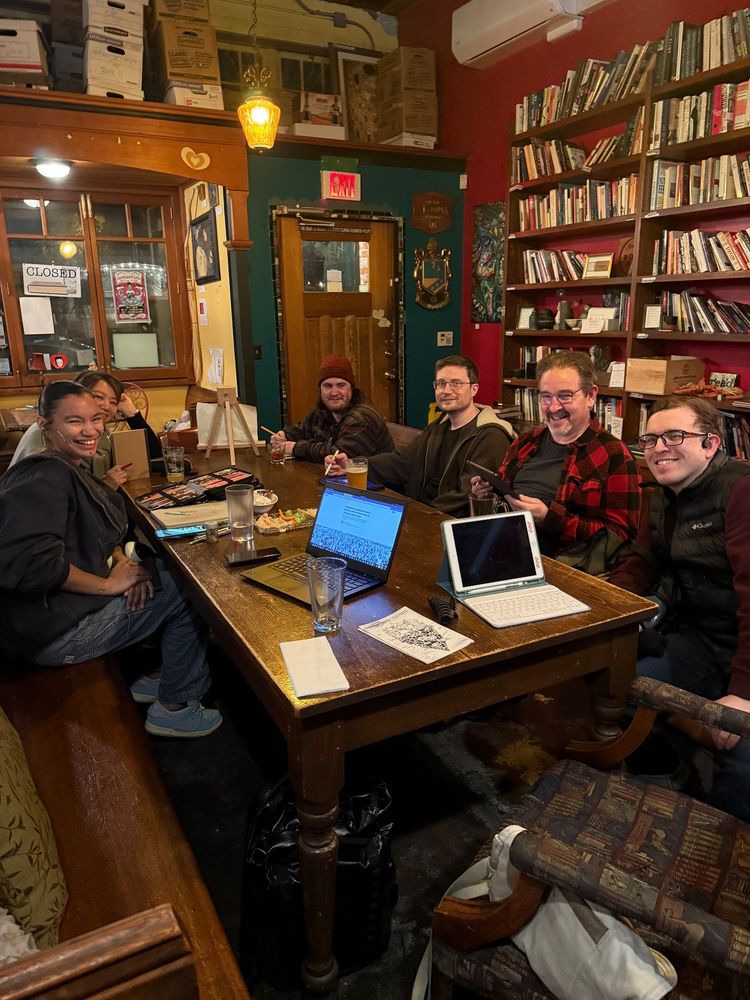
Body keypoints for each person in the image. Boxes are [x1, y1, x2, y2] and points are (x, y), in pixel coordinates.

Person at [0, 380, 221, 739]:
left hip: (49, 620)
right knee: (191, 588)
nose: (90, 430)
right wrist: (108, 585)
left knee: (161, 573)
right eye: (74, 422)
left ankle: (167, 675)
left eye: (95, 419)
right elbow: (36, 565)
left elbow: (91, 532)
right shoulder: (42, 477)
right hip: (52, 635)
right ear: (44, 425)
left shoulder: (64, 465)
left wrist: (122, 561)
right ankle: (175, 707)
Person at [609, 395, 750, 820]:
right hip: (700, 639)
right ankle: (666, 783)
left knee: (744, 763)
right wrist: (613, 612)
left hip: (742, 651)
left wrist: (743, 694)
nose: (658, 447)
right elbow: (641, 561)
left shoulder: (741, 490)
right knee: (619, 685)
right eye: (650, 439)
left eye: (675, 436)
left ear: (710, 444)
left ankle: (722, 859)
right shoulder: (661, 492)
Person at [472, 350, 640, 555]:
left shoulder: (614, 454)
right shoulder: (525, 442)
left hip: (561, 562)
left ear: (591, 395)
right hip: (501, 544)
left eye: (565, 396)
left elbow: (620, 538)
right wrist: (489, 491)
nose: (553, 407)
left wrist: (550, 519)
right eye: (546, 397)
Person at [328, 355, 514, 517]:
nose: (447, 390)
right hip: (423, 514)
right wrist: (351, 464)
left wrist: (418, 514)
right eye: (441, 384)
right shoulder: (440, 426)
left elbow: (466, 497)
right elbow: (401, 461)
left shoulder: (491, 435)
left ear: (474, 389)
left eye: (456, 383)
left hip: (447, 523)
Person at [10, 370, 161, 488]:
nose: (106, 406)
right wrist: (106, 485)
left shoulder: (102, 432)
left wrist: (132, 414)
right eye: (98, 397)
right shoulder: (46, 437)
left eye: (113, 401)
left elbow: (156, 457)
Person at [270, 354, 393, 464]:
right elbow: (301, 430)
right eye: (328, 386)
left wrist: (295, 448)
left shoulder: (362, 417)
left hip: (376, 486)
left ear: (352, 388)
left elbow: (338, 455)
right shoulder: (324, 412)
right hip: (338, 480)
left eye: (341, 385)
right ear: (321, 390)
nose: (334, 392)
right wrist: (284, 436)